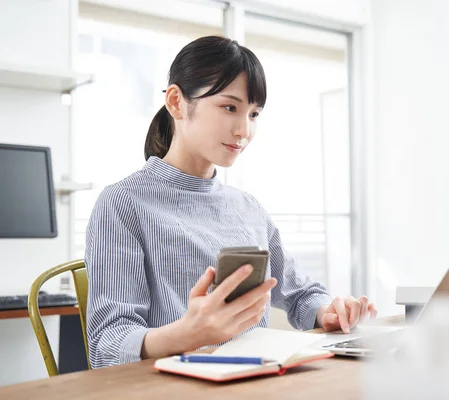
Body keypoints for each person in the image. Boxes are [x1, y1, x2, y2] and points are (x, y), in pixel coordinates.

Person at [85, 35, 377, 369]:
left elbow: (301, 294)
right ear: (177, 102)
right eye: (230, 107)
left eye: (253, 114)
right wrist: (186, 333)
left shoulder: (247, 208)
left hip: (256, 382)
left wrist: (328, 310)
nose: (244, 130)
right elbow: (106, 346)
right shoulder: (123, 203)